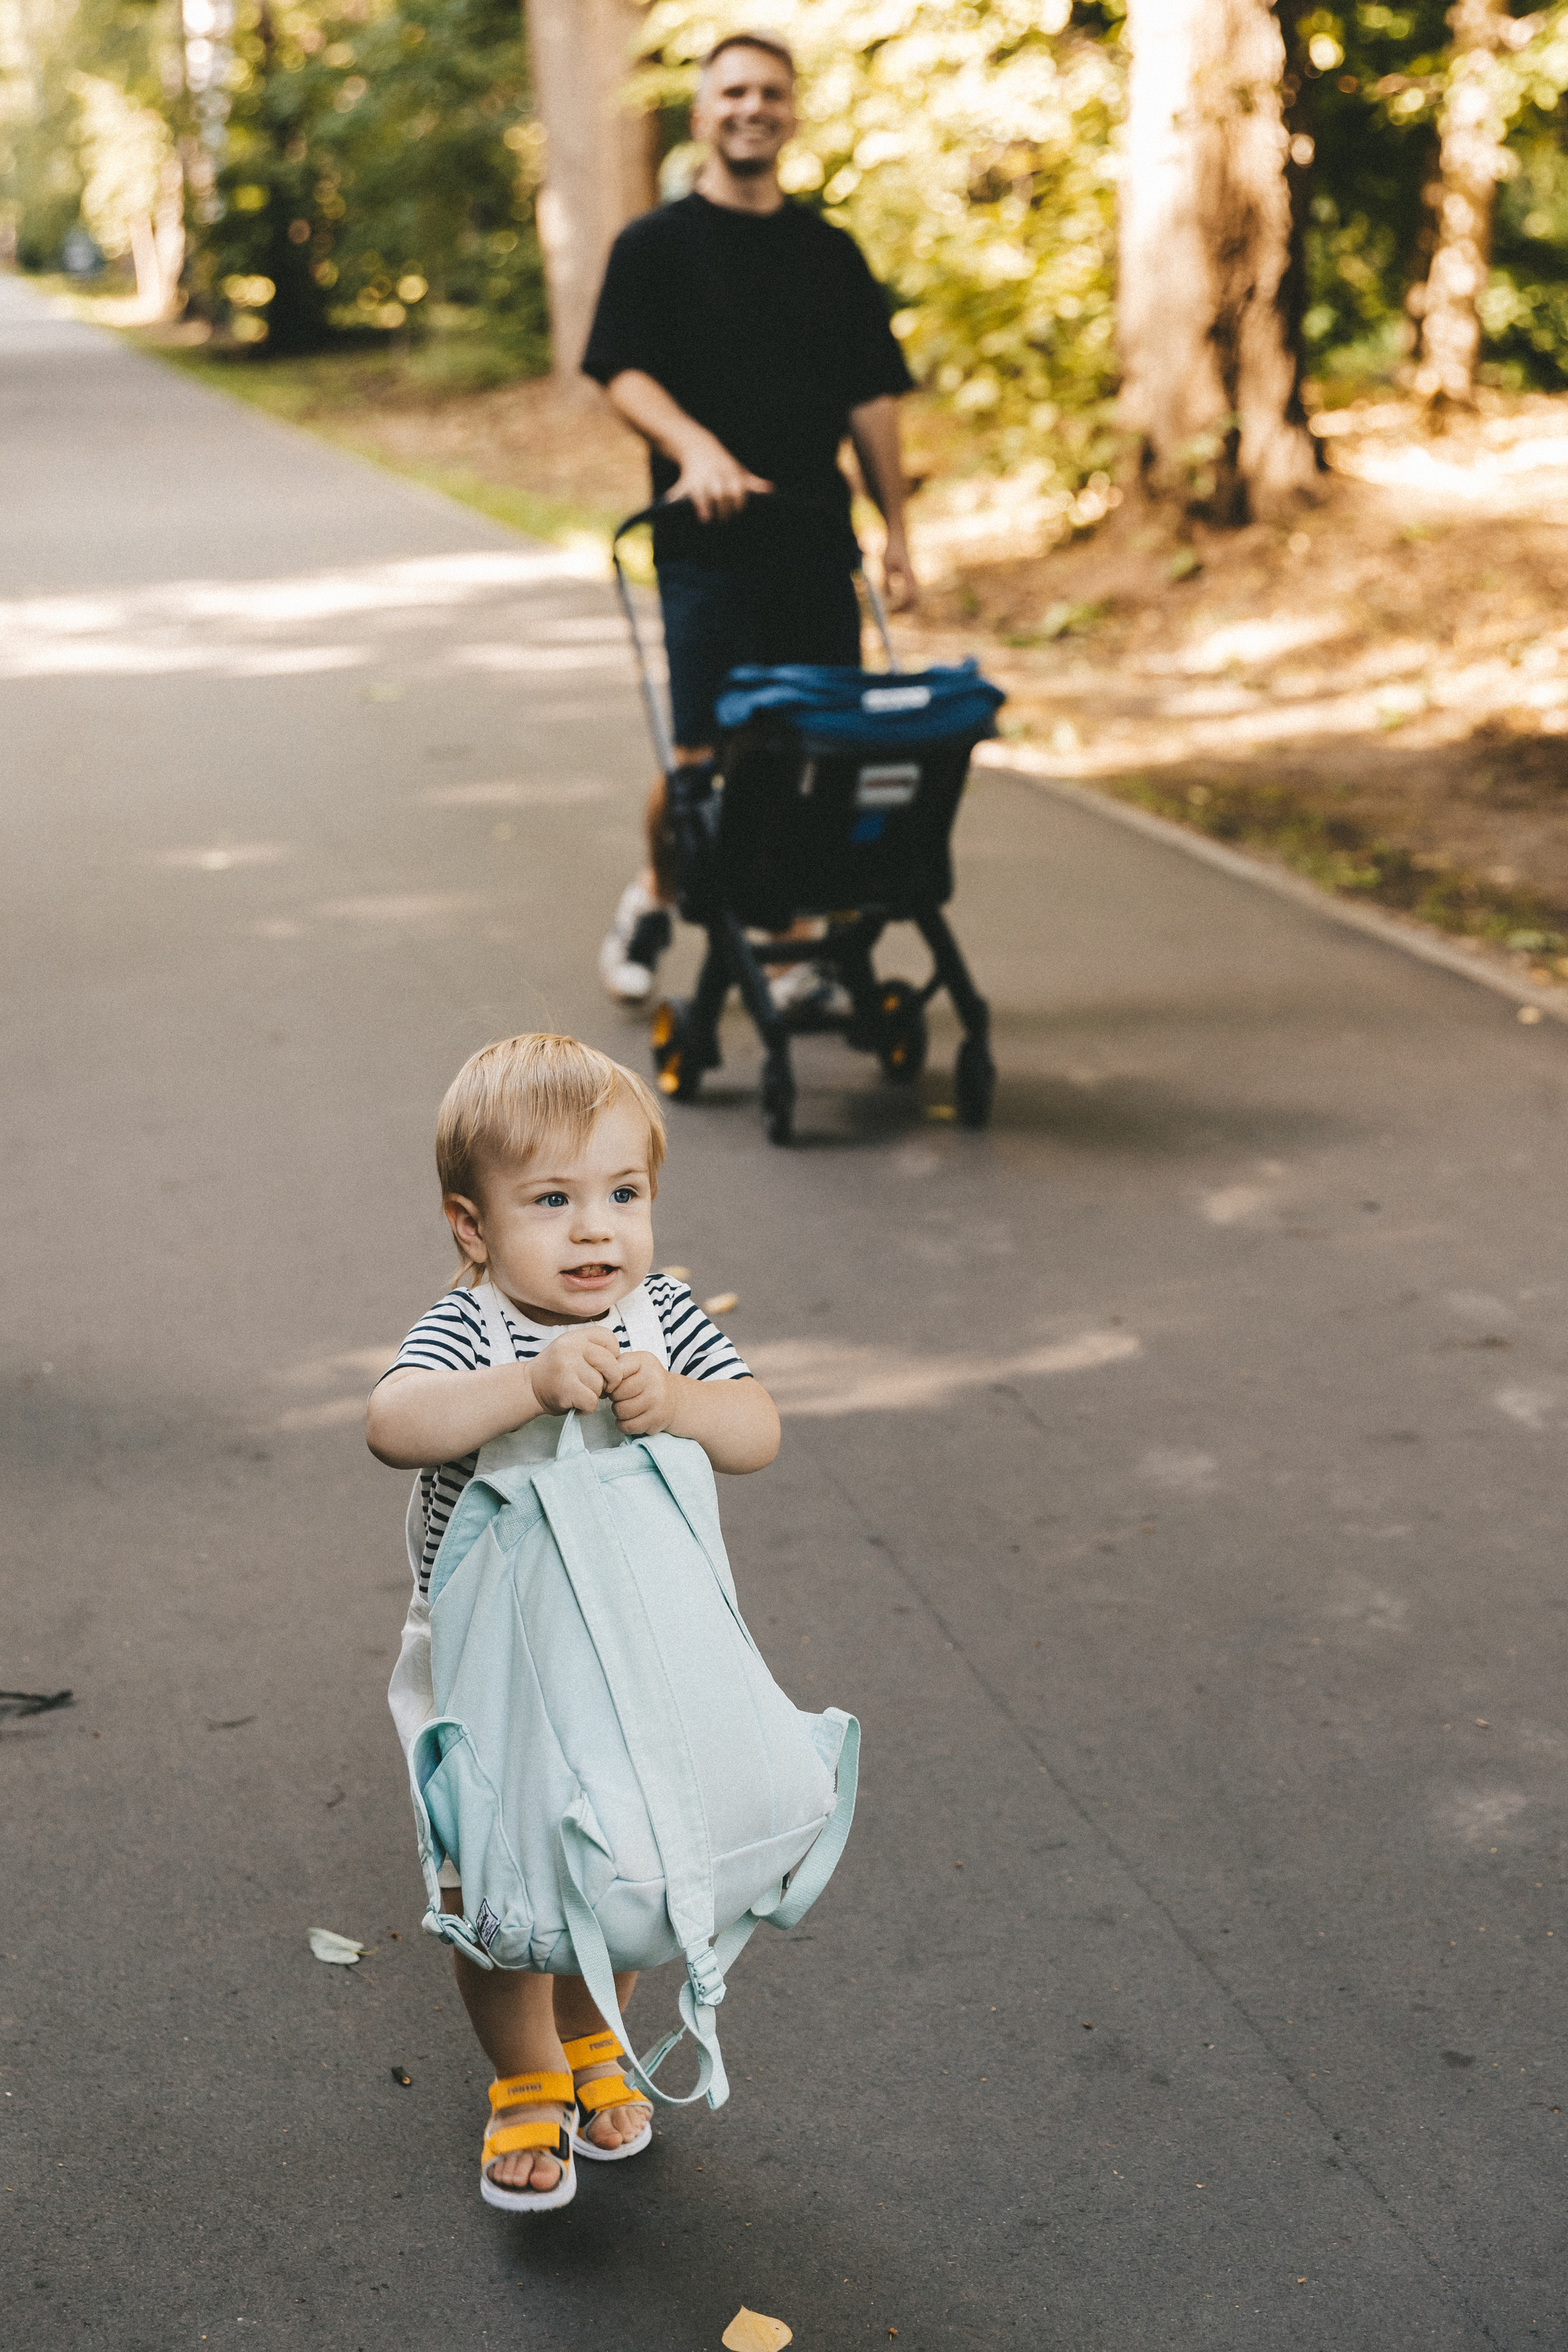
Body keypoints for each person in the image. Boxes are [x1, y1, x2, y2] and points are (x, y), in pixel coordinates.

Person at [366, 1031, 780, 2210]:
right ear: (473, 1226)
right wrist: (527, 1386)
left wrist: (685, 1403)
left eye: (623, 1195)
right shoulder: (476, 1327)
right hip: (492, 1667)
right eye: (552, 1200)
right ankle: (527, 2074)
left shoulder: (664, 1318)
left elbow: (760, 1433)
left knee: (627, 1876)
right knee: (496, 1886)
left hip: (635, 1657)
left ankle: (600, 2040)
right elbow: (394, 1422)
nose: (596, 1230)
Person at [582, 29, 917, 1005]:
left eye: (770, 92)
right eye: (732, 92)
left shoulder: (831, 254)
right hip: (707, 551)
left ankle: (802, 941)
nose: (751, 107)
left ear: (793, 113)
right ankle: (653, 893)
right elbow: (618, 370)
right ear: (702, 114)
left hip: (816, 545)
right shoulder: (654, 248)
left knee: (820, 754)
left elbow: (874, 399)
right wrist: (695, 448)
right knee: (704, 758)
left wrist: (898, 533)